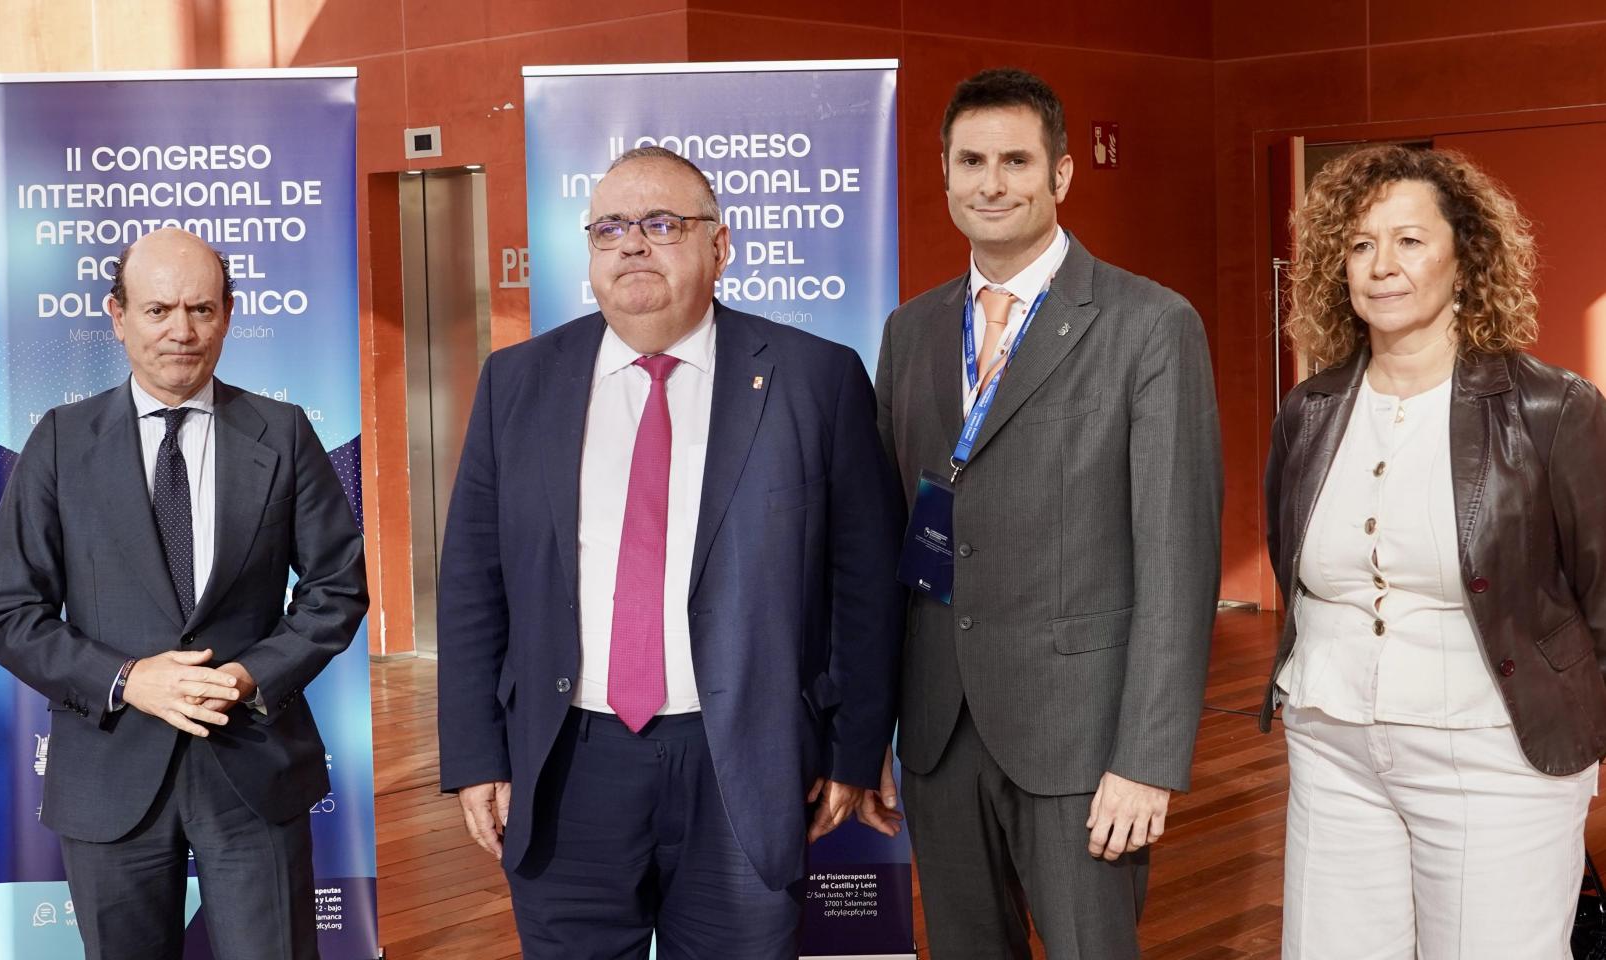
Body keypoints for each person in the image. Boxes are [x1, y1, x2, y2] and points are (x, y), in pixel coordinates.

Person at [435, 146, 905, 959]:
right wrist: (476, 753)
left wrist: (855, 747)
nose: (632, 245)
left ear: (720, 247)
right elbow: (475, 583)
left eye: (662, 223)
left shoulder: (814, 378)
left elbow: (864, 582)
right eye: (609, 227)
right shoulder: (518, 381)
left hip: (745, 764)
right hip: (566, 764)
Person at [867, 68, 1222, 960]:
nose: (993, 182)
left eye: (1017, 160)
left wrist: (1147, 757)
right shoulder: (911, 331)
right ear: (943, 174)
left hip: (1082, 742)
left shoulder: (1149, 324)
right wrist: (869, 730)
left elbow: (1177, 562)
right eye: (972, 160)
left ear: (1061, 175)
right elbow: (884, 545)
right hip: (939, 732)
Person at [0, 227, 369, 960]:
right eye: (158, 311)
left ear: (228, 313)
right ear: (117, 316)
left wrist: (251, 676)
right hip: (109, 773)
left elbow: (335, 588)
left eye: (200, 309)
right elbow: (9, 611)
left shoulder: (282, 433)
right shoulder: (60, 441)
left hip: (254, 765)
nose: (181, 332)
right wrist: (128, 680)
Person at [1262, 143, 1606, 958]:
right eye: (1359, 244)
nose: (1382, 266)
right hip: (1332, 746)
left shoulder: (1553, 409)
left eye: (1409, 241)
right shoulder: (1308, 411)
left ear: (1466, 258)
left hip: (1494, 755)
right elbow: (1292, 564)